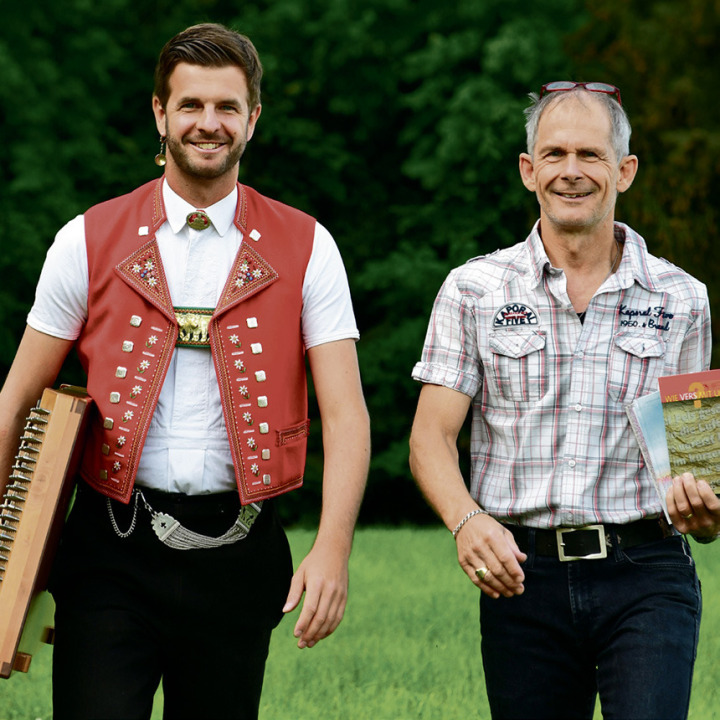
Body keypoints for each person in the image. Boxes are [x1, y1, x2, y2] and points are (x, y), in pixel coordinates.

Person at [0, 23, 370, 720]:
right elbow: (16, 397)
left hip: (240, 553)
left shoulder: (309, 245)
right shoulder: (86, 237)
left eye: (228, 107)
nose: (209, 123)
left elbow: (346, 412)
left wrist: (332, 548)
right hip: (109, 550)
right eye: (192, 105)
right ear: (160, 113)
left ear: (253, 119)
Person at [409, 81, 720, 720]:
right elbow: (430, 438)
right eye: (553, 155)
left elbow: (695, 464)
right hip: (523, 578)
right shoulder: (473, 290)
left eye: (591, 155)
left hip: (647, 573)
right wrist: (467, 522)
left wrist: (707, 507)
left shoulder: (682, 298)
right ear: (529, 170)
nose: (570, 172)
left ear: (625, 171)